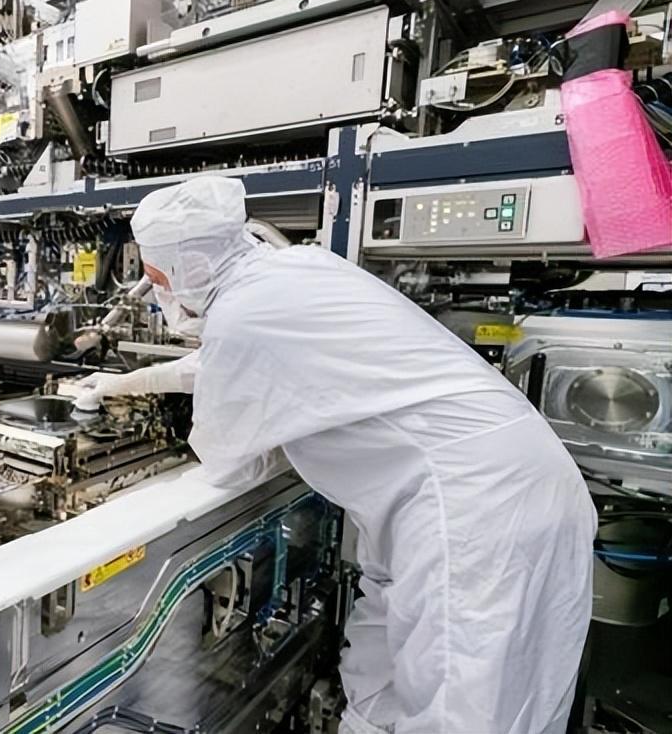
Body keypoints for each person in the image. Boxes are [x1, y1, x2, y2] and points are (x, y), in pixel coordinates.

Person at [75, 176, 597, 733]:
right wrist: (129, 382)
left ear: (190, 268)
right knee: (385, 670)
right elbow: (236, 358)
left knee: (462, 710)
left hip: (477, 508)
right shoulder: (293, 270)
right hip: (473, 488)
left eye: (157, 280)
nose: (159, 296)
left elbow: (231, 458)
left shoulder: (243, 312)